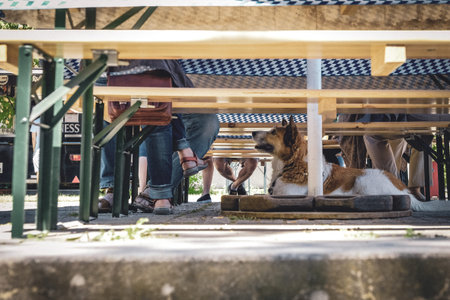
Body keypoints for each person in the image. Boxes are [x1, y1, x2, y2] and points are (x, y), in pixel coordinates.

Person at [98, 60, 219, 214]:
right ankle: (116, 189)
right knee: (112, 106)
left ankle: (152, 192)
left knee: (208, 123)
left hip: (183, 89)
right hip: (141, 79)